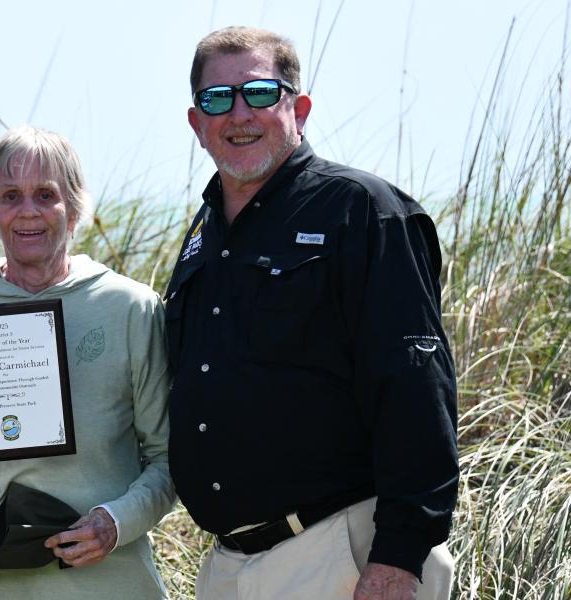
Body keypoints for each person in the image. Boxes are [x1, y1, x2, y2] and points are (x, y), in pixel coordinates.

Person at [164, 26, 458, 600]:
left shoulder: (363, 212)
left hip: (343, 554)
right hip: (230, 566)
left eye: (258, 94)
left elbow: (416, 387)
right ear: (198, 124)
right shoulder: (203, 235)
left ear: (298, 108)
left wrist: (399, 555)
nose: (238, 114)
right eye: (217, 99)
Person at [0, 125, 175, 599]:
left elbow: (168, 459)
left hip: (110, 584)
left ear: (74, 208)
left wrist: (115, 524)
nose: (28, 211)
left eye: (46, 194)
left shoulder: (130, 307)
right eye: (10, 195)